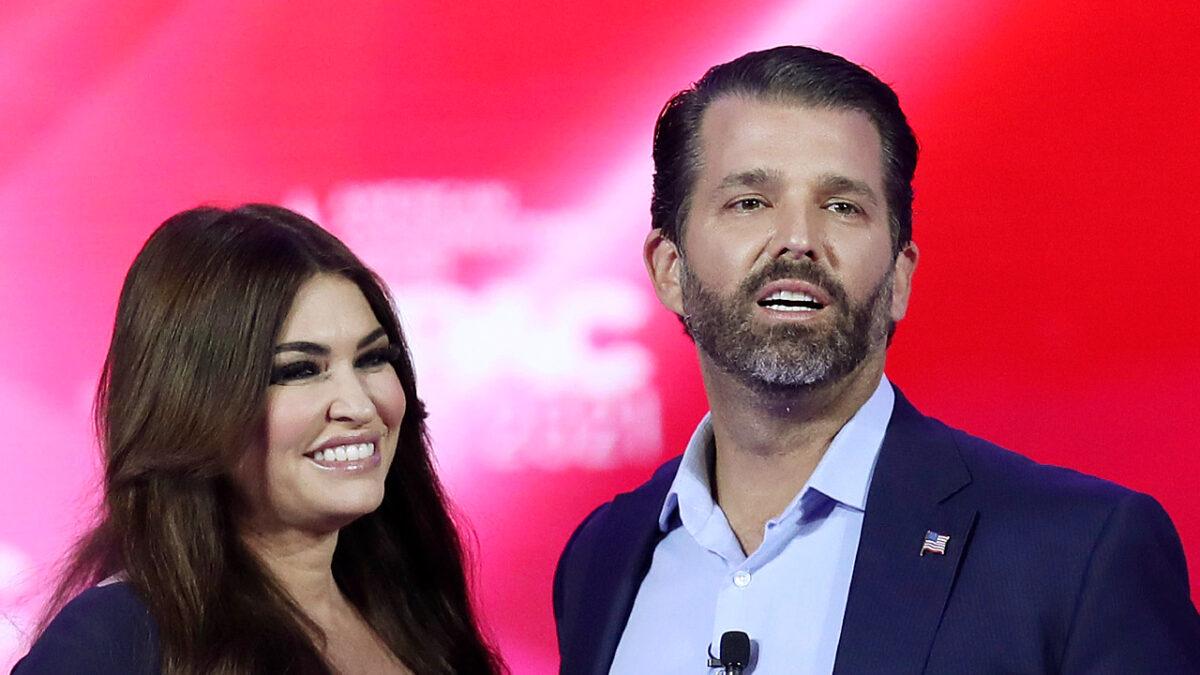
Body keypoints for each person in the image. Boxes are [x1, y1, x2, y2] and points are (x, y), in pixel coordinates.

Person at [553, 46, 1200, 674]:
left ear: (898, 278)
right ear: (670, 269)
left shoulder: (1078, 553)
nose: (799, 240)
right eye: (750, 201)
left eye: (842, 206)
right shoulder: (600, 558)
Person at [15, 205, 504, 674]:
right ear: (193, 407)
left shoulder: (417, 612)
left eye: (372, 359)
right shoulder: (117, 638)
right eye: (299, 370)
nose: (358, 405)